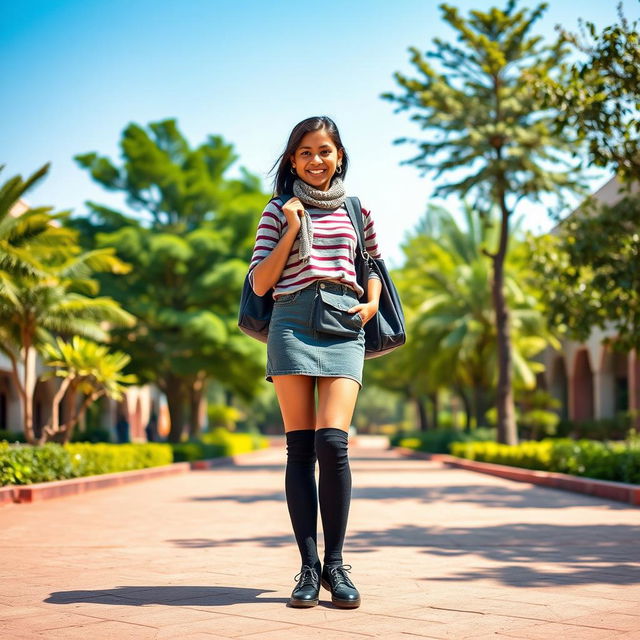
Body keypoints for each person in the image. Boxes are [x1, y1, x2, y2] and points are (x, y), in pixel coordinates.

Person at [248, 116, 382, 609]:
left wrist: (369, 306)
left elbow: (371, 264)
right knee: (300, 447)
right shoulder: (276, 210)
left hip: (345, 323)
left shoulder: (356, 209)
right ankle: (308, 567)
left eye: (324, 150)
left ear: (339, 155)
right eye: (305, 152)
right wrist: (292, 226)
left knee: (333, 441)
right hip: (291, 319)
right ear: (292, 160)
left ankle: (337, 564)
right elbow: (261, 283)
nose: (316, 160)